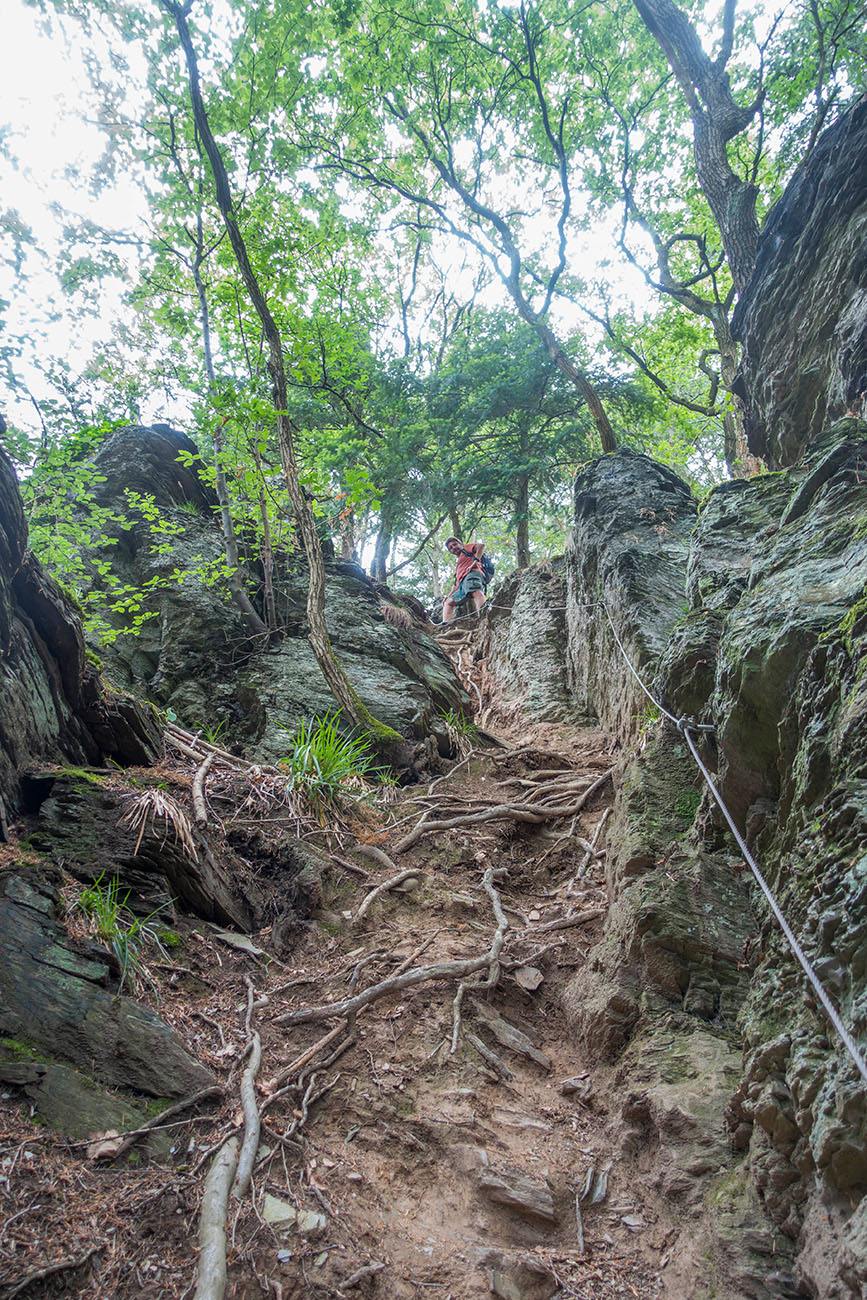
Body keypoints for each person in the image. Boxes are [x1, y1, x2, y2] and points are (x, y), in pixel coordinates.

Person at [442, 537, 486, 623]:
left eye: (455, 544)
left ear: (460, 544)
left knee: (475, 591)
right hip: (462, 584)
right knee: (448, 602)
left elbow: (480, 546)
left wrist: (475, 561)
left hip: (472, 573)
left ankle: (484, 618)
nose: (453, 547)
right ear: (450, 552)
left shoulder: (466, 548)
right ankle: (445, 624)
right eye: (450, 548)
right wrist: (448, 596)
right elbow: (457, 584)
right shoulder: (458, 565)